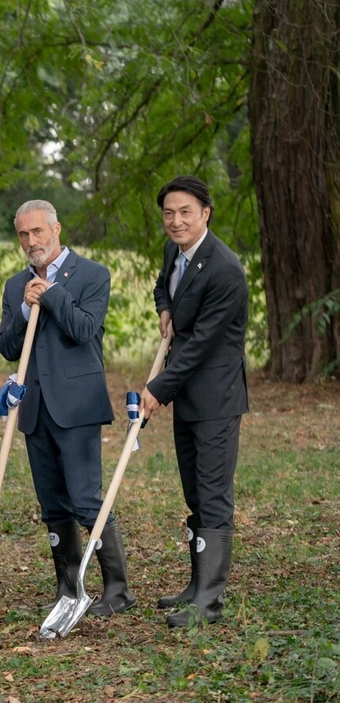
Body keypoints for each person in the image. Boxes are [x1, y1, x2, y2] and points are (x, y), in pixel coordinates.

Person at [0, 199, 135, 617]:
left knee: (87, 501)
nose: (30, 241)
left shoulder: (92, 275)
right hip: (34, 407)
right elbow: (7, 346)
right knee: (53, 505)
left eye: (38, 231)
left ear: (57, 229)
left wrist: (52, 294)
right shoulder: (14, 284)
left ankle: (118, 590)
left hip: (77, 406)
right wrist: (23, 308)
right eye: (23, 234)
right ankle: (68, 588)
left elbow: (84, 330)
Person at [141, 176, 248, 628]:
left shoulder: (225, 269)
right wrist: (165, 307)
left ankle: (210, 602)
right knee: (193, 492)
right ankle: (195, 584)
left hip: (216, 397)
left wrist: (157, 389)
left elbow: (202, 343)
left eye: (186, 211)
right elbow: (163, 287)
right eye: (169, 213)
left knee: (213, 493)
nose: (176, 220)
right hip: (187, 396)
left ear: (206, 213)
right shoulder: (174, 251)